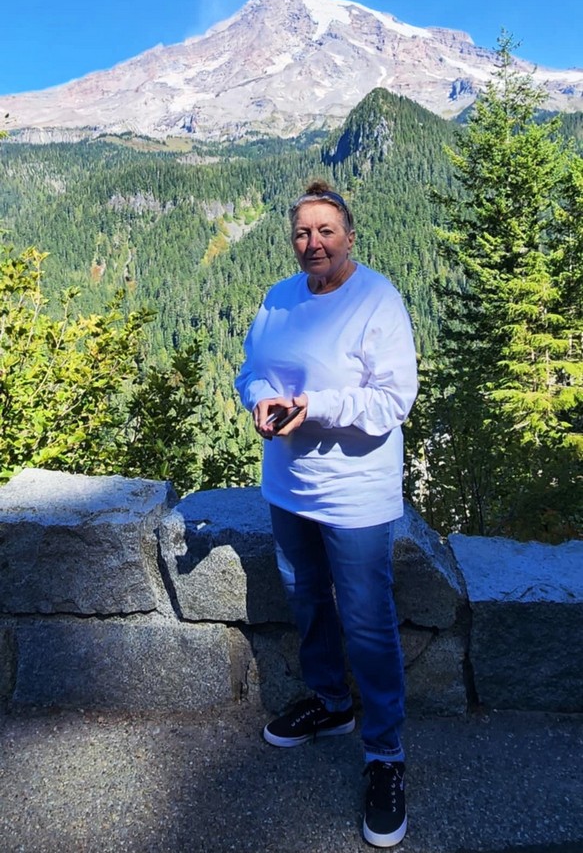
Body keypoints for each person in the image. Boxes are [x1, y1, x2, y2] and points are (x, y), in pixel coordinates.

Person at [235, 180, 418, 848]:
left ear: (349, 237)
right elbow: (250, 369)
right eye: (302, 233)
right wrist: (259, 399)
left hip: (355, 494)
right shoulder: (280, 298)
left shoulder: (377, 299)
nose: (313, 243)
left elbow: (392, 400)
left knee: (367, 622)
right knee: (307, 600)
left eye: (325, 231)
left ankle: (385, 756)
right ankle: (331, 704)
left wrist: (318, 406)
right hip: (290, 487)